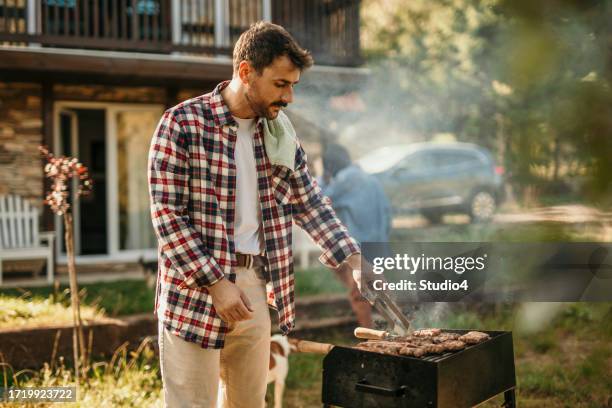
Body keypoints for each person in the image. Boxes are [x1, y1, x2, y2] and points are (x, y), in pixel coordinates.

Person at [148, 21, 374, 408]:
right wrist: (216, 283)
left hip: (255, 288)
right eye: (281, 84)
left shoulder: (279, 134)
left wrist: (352, 257)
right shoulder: (182, 123)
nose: (289, 97)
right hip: (195, 290)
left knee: (248, 403)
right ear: (246, 72)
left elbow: (309, 201)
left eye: (293, 86)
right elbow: (168, 216)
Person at [319, 143, 393, 328]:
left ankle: (371, 339)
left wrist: (322, 176)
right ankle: (398, 329)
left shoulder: (344, 180)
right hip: (378, 244)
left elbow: (317, 200)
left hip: (356, 246)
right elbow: (387, 213)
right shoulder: (372, 180)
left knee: (359, 294)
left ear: (330, 165)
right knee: (376, 287)